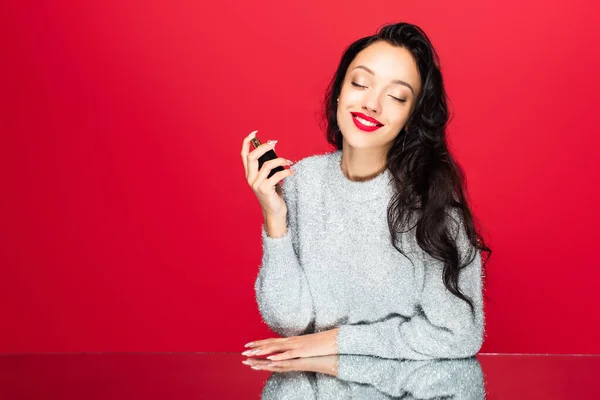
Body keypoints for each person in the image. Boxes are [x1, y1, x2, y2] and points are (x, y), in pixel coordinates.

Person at [240, 22, 492, 362]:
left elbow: (459, 335)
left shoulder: (431, 202)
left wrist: (336, 342)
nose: (372, 103)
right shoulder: (303, 181)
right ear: (341, 91)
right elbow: (288, 322)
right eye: (360, 83)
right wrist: (275, 216)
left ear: (410, 118)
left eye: (396, 96)